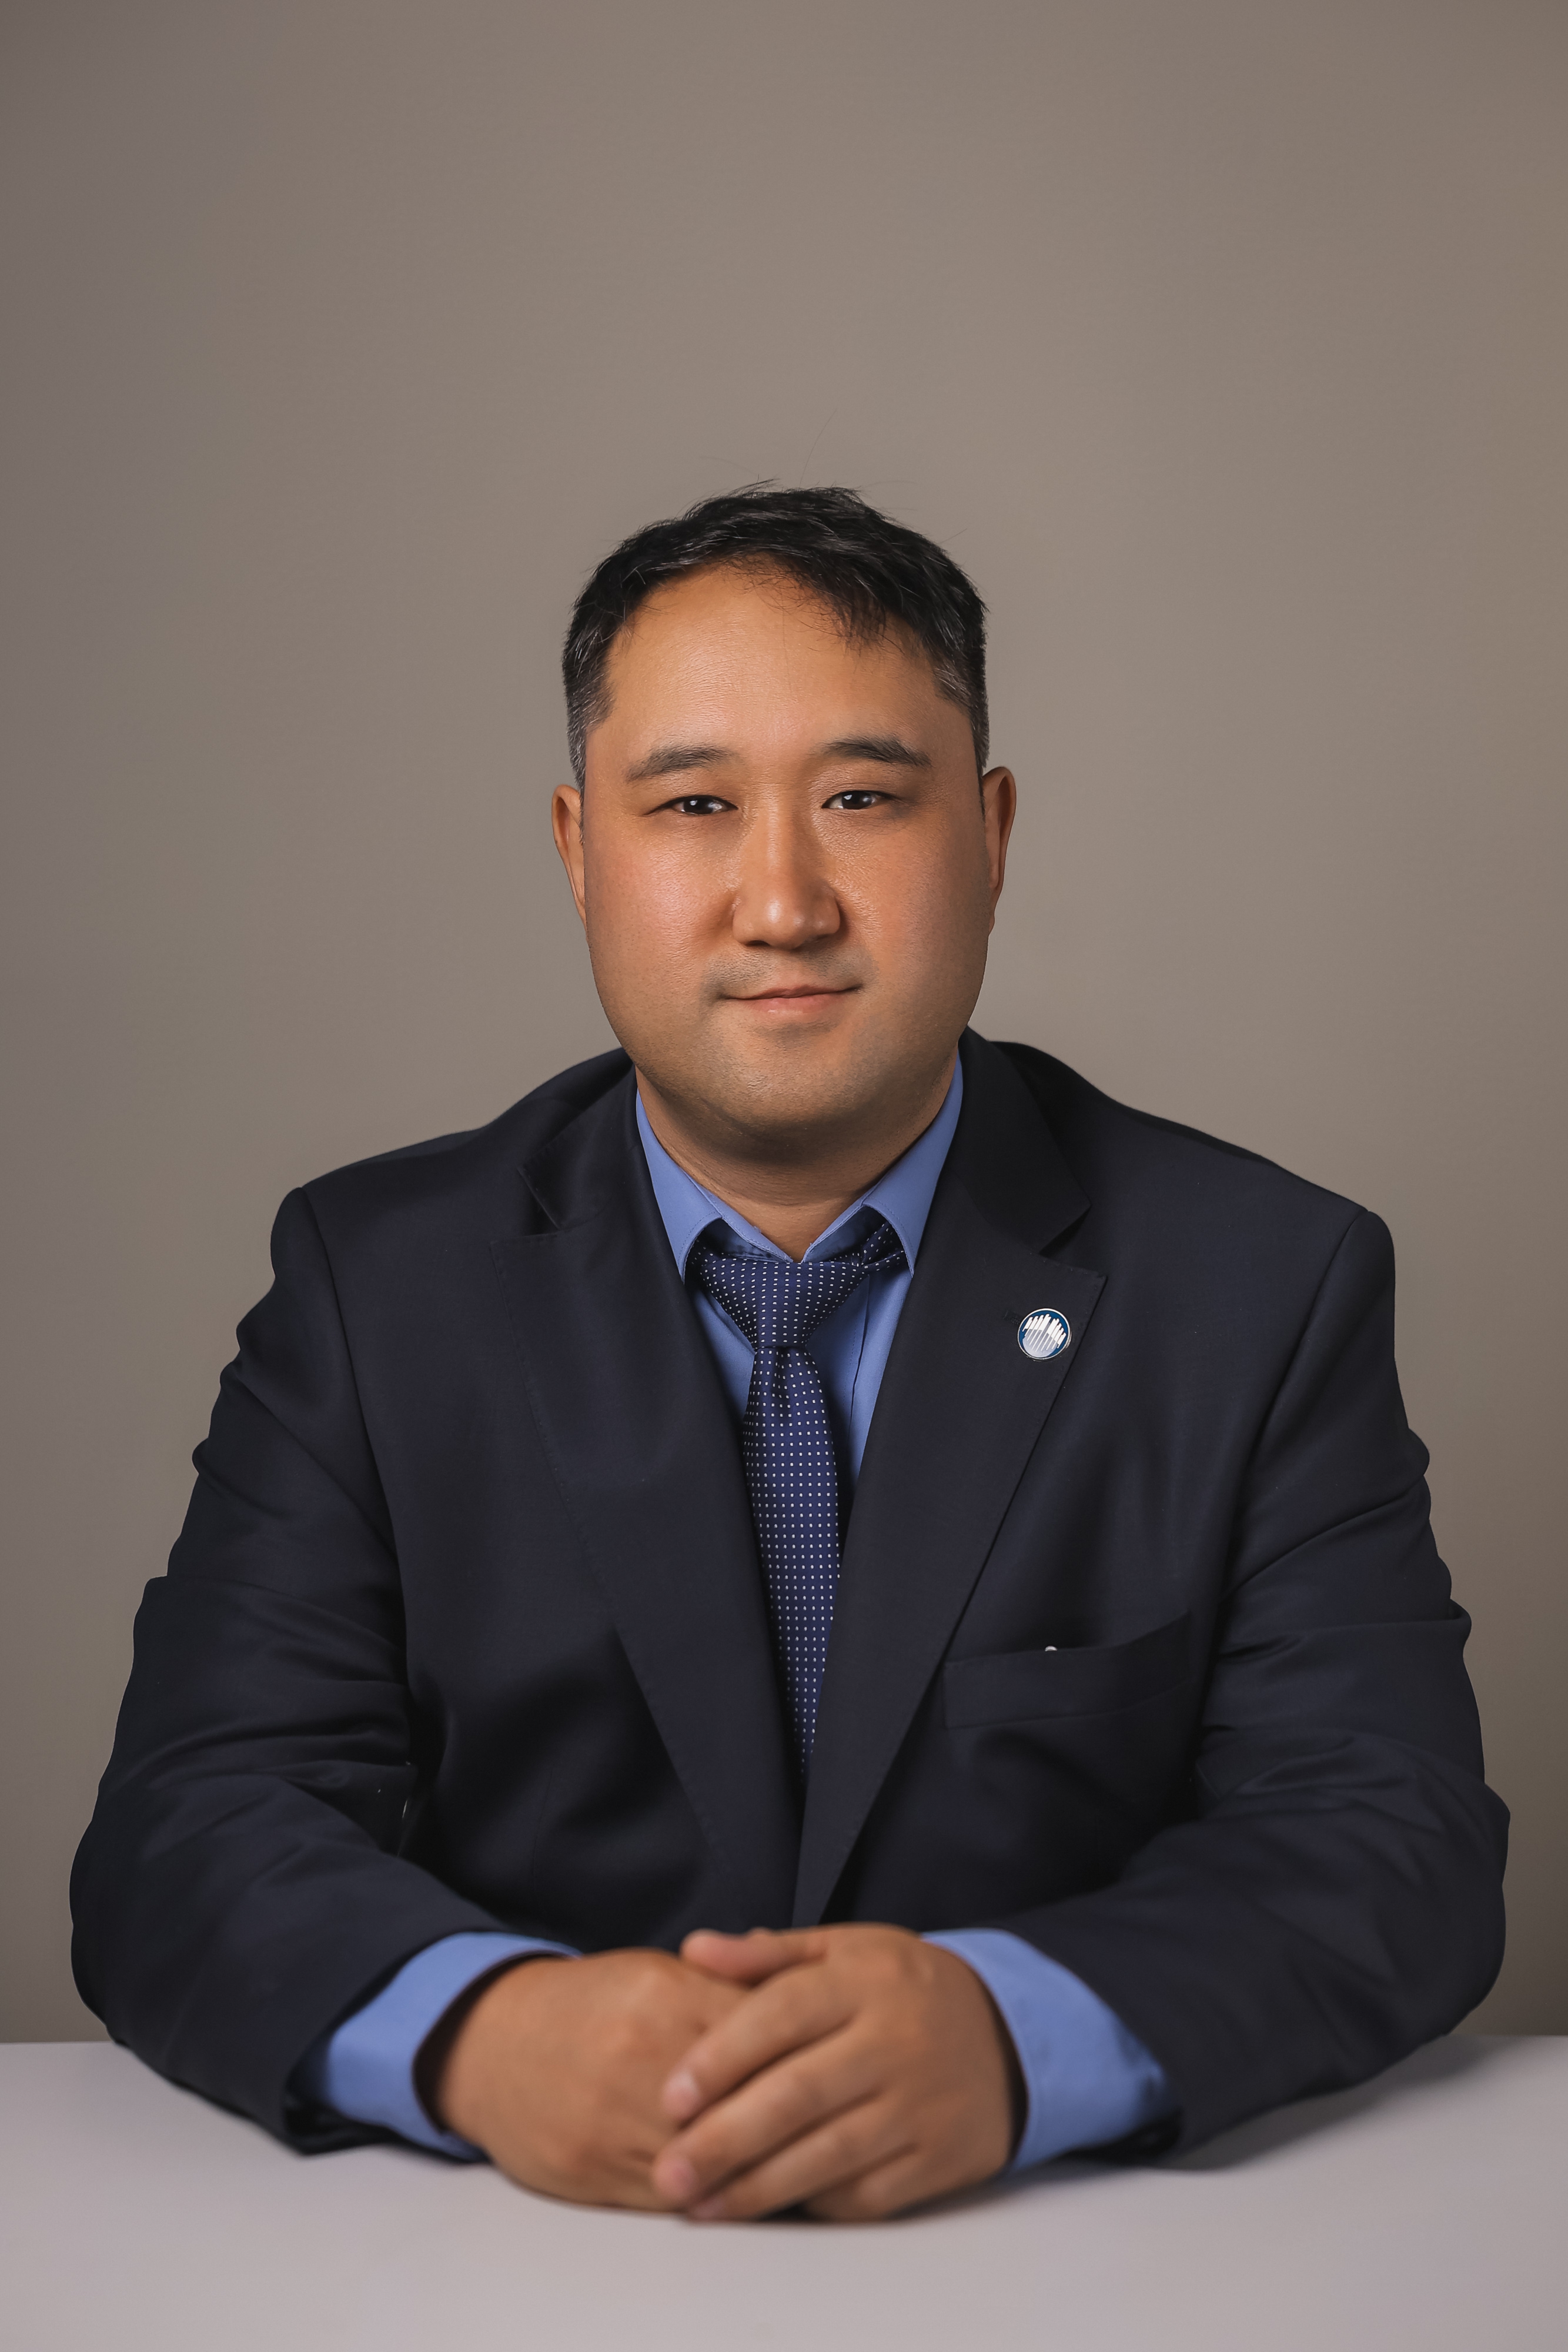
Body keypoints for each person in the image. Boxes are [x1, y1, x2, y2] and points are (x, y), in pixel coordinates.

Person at [72, 486, 1507, 2222]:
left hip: (1067, 2260)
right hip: (517, 2266)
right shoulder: (379, 1291)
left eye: (861, 800)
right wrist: (482, 2037)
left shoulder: (1258, 1286)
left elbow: (1386, 1837)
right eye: (692, 805)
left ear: (990, 833)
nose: (781, 901)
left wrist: (1013, 2035)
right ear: (577, 848)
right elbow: (191, 1826)